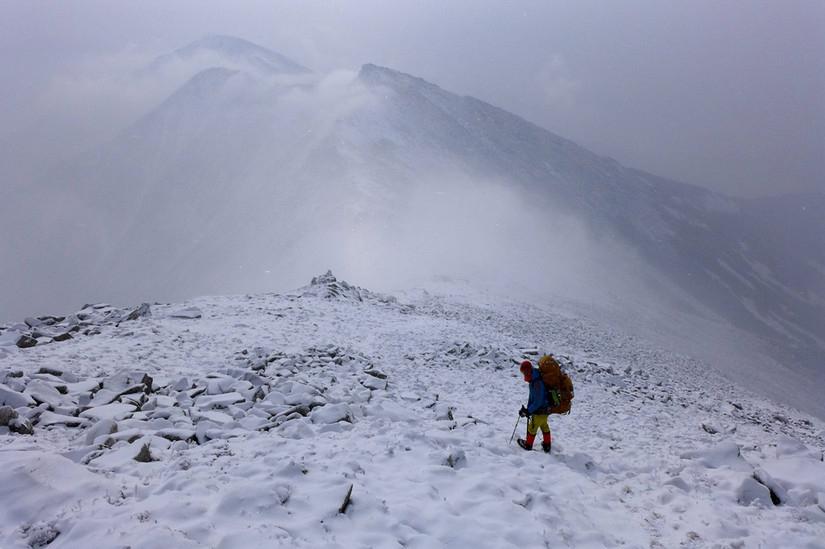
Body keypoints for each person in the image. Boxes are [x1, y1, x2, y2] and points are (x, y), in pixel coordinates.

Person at [517, 359, 552, 453]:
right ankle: (547, 445)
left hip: (540, 410)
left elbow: (538, 401)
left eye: (524, 372)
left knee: (532, 427)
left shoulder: (536, 382)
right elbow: (533, 397)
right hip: (545, 409)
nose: (523, 374)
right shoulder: (534, 378)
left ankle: (528, 444)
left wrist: (529, 411)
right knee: (544, 425)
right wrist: (528, 409)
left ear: (528, 370)